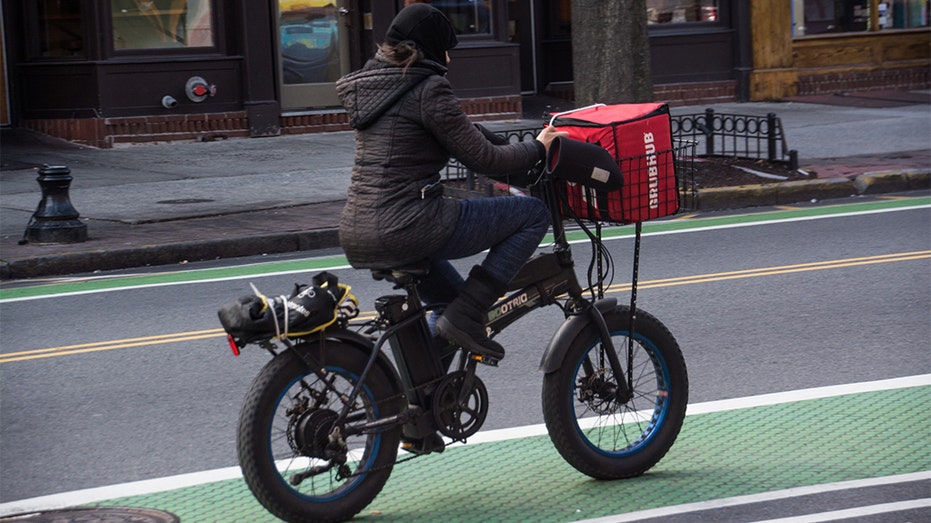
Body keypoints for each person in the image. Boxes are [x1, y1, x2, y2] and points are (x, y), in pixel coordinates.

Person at [335, 4, 565, 364]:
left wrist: (505, 145)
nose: (448, 59)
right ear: (426, 48)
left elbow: (465, 135)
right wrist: (539, 147)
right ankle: (467, 315)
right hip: (409, 224)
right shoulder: (428, 89)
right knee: (533, 214)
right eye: (445, 49)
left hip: (358, 228)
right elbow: (484, 160)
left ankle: (419, 402)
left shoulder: (378, 89)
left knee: (447, 303)